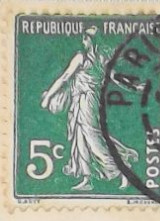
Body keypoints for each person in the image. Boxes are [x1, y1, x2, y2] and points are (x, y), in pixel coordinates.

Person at [40, 26, 137, 191]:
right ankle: (87, 179)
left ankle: (122, 169)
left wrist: (48, 96)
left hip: (87, 100)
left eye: (85, 38)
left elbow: (64, 78)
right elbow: (116, 78)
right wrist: (133, 87)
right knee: (81, 137)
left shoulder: (82, 57)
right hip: (81, 100)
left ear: (89, 40)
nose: (83, 41)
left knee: (93, 137)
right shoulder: (102, 57)